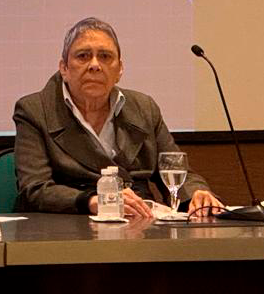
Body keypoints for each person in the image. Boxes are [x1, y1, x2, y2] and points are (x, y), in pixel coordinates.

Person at [13, 16, 222, 217]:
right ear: (64, 68)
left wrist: (197, 194)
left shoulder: (144, 108)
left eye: (105, 56)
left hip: (142, 223)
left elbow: (175, 168)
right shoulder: (35, 111)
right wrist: (95, 201)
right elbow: (35, 189)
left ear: (120, 69)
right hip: (72, 224)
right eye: (83, 56)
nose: (94, 65)